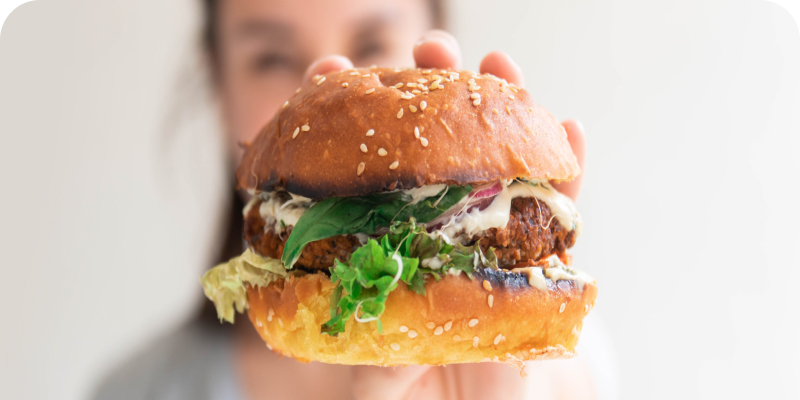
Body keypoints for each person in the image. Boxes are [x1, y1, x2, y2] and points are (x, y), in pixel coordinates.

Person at [93, 0, 591, 399]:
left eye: (373, 44)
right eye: (271, 58)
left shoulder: (567, 381)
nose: (326, 83)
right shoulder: (137, 391)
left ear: (436, 34)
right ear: (218, 85)